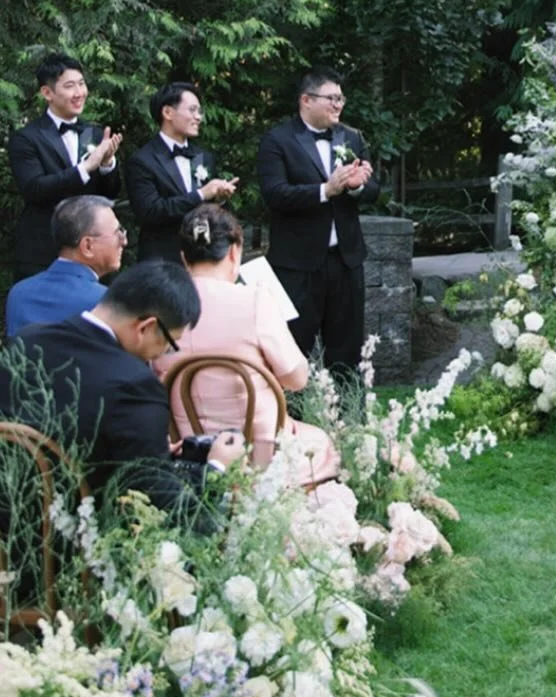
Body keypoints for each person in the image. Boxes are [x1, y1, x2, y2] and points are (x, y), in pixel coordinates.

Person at [0, 261, 244, 513]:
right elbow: (166, 505)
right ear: (146, 327)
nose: (162, 354)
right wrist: (217, 467)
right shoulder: (136, 386)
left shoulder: (27, 339)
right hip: (63, 527)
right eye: (169, 345)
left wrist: (152, 450)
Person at [153, 205, 340, 486]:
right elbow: (297, 379)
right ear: (233, 252)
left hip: (188, 447)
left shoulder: (158, 310)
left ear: (183, 258)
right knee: (321, 443)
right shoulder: (255, 301)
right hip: (259, 451)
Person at [256, 67, 380, 371]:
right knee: (292, 349)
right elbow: (274, 195)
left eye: (341, 99)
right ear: (306, 100)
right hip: (297, 264)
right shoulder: (277, 140)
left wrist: (357, 187)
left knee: (347, 349)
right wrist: (326, 190)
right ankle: (291, 404)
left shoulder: (352, 137)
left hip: (346, 261)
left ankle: (348, 403)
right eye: (331, 98)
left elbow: (374, 190)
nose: (338, 105)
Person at [7, 54, 121, 280]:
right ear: (47, 93)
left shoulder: (95, 134)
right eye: (70, 86)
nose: (79, 93)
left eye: (81, 84)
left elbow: (108, 194)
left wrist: (107, 164)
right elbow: (34, 189)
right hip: (43, 251)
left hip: (92, 252)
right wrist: (85, 168)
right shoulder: (26, 138)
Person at [126, 81, 238, 262]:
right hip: (162, 261)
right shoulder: (142, 160)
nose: (198, 117)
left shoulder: (203, 157)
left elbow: (210, 212)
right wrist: (201, 194)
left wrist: (219, 199)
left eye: (199, 111)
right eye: (192, 110)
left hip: (202, 258)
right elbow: (150, 211)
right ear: (167, 112)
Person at [5, 195, 126, 336]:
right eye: (118, 233)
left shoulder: (19, 294)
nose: (124, 242)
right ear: (87, 246)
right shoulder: (106, 303)